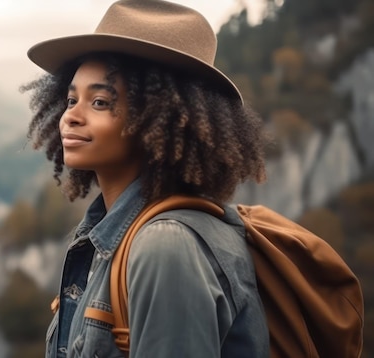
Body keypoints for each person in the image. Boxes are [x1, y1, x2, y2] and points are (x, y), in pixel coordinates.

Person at [22, 0, 270, 357]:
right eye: (71, 98)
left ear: (161, 120)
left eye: (101, 102)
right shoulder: (120, 235)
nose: (70, 117)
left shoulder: (165, 246)